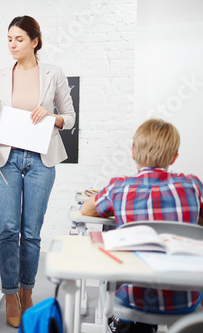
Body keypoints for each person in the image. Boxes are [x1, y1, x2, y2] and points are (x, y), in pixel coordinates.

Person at [0, 15, 75, 328]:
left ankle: (27, 290)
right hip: (6, 157)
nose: (12, 45)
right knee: (8, 229)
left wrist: (52, 115)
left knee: (31, 233)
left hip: (41, 159)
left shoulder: (54, 74)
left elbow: (70, 118)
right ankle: (10, 294)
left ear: (35, 41)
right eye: (9, 39)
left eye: (19, 39)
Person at [81, 118, 203, 333]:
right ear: (174, 158)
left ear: (133, 153)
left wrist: (118, 209)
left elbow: (86, 211)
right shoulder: (193, 185)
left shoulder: (119, 188)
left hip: (134, 299)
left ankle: (133, 325)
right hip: (186, 299)